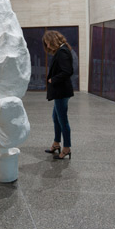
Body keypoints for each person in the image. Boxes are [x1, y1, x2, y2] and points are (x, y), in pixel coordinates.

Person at [43, 30, 74, 159]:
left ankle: (66, 148)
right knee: (56, 118)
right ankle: (56, 143)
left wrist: (53, 80)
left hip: (61, 91)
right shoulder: (62, 50)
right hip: (61, 91)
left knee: (62, 120)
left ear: (53, 40)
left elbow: (68, 71)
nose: (48, 46)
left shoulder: (62, 51)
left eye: (48, 43)